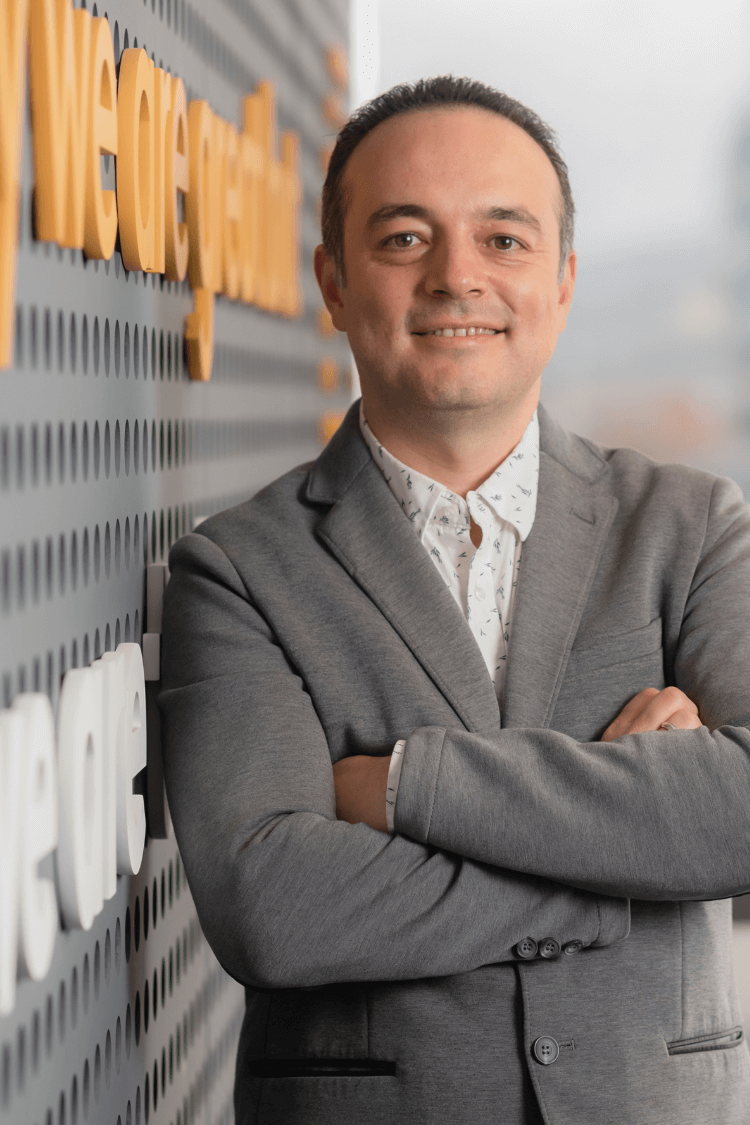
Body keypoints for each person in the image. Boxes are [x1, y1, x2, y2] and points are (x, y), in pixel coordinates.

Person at [159, 76, 750, 1125]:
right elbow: (275, 909)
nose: (457, 277)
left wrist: (403, 788)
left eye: (504, 240)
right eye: (404, 239)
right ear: (334, 281)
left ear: (563, 282)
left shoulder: (693, 525)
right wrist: (620, 854)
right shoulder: (237, 570)